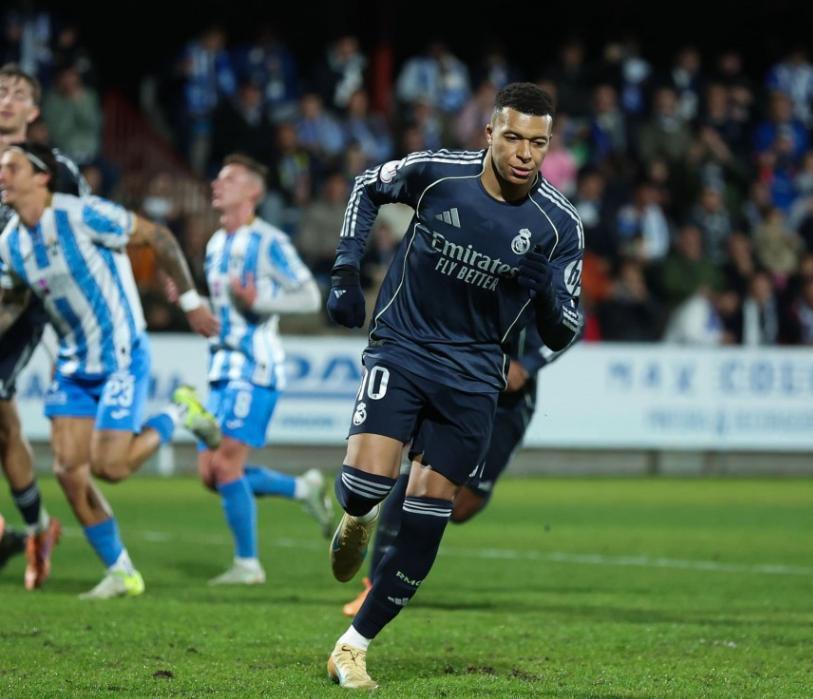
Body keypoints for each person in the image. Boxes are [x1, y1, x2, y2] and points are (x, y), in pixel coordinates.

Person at [323, 82, 583, 688]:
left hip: (473, 377)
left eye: (538, 143)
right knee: (364, 485)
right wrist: (345, 271)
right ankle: (358, 515)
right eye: (513, 137)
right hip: (405, 348)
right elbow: (366, 186)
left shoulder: (560, 226)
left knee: (426, 522)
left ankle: (353, 646)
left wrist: (549, 298)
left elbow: (566, 326)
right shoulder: (438, 173)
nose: (524, 153)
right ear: (489, 133)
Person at [0, 141, 220, 598]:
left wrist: (191, 301)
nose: (2, 176)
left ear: (42, 177)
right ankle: (121, 572)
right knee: (68, 470)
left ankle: (180, 411)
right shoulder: (11, 243)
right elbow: (13, 302)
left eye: (12, 168)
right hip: (72, 364)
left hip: (120, 354)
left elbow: (159, 237)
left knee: (111, 467)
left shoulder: (82, 214)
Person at [341, 318, 569, 616]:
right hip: (453, 383)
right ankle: (376, 583)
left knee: (461, 507)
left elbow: (573, 321)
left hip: (507, 405)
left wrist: (527, 364)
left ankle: (390, 539)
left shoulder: (532, 287)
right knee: (417, 478)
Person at [176, 153, 331, 585]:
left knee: (226, 466)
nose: (217, 184)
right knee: (212, 474)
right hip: (221, 366)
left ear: (253, 192)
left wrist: (260, 301)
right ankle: (302, 489)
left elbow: (309, 296)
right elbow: (224, 311)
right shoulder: (216, 244)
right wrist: (191, 304)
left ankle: (248, 565)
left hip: (255, 366)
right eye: (218, 178)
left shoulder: (268, 241)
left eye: (229, 180)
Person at [0, 62, 89, 590]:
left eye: (18, 93)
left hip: (20, 308)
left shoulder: (53, 168)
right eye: (1, 91)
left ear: (34, 110)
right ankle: (36, 530)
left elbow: (86, 230)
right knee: (6, 426)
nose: (7, 99)